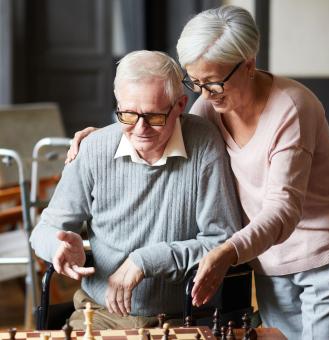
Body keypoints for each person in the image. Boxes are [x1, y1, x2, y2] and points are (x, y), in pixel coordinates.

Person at [65, 6, 329, 339]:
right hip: (268, 256)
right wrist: (102, 137)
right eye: (195, 83)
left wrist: (226, 251)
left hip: (325, 252)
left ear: (248, 65)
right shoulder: (210, 106)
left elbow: (283, 210)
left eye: (213, 83)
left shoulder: (292, 108)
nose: (204, 94)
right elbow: (164, 126)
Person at [30, 50, 241, 330]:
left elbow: (222, 241)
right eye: (128, 115)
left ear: (180, 105)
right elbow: (42, 231)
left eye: (154, 116)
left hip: (184, 317)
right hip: (100, 314)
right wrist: (60, 247)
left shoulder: (204, 143)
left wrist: (146, 260)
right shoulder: (93, 149)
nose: (140, 129)